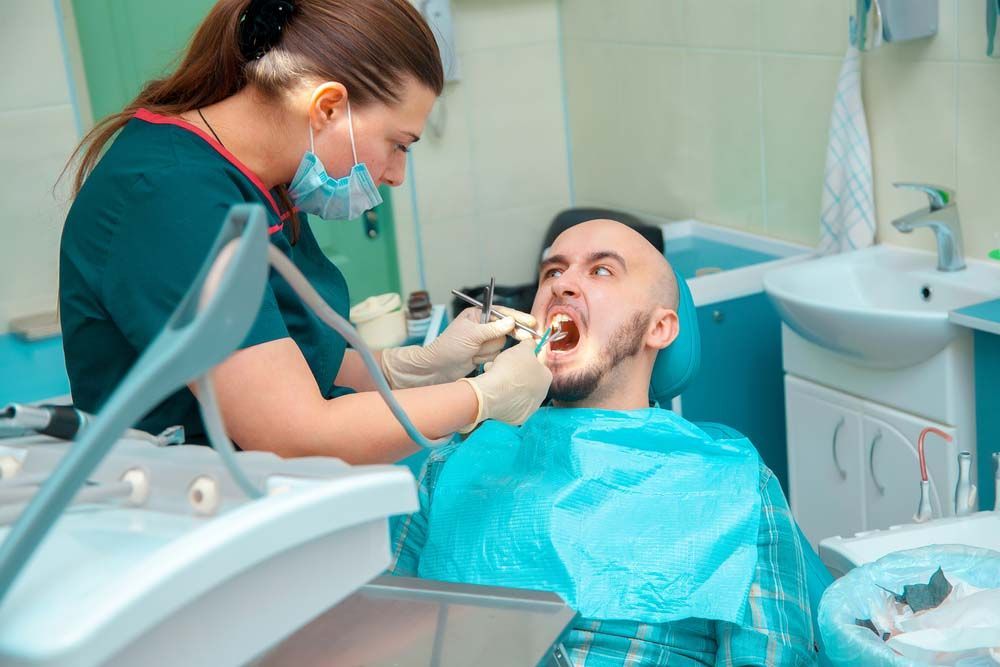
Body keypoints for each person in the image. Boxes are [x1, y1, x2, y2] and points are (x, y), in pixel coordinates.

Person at [58, 0, 551, 463]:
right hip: (180, 516)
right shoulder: (171, 197)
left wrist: (422, 367)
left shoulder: (268, 187)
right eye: (399, 145)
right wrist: (480, 398)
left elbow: (307, 362)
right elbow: (294, 433)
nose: (397, 175)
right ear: (328, 107)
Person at [390, 220, 818, 666]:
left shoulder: (733, 484)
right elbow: (386, 635)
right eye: (552, 272)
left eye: (602, 271)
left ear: (660, 329)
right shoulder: (455, 465)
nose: (563, 285)